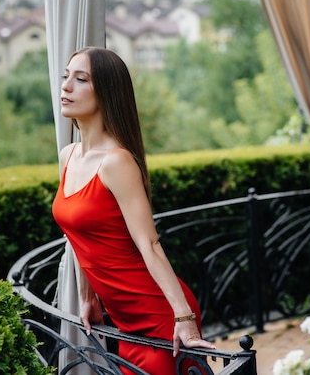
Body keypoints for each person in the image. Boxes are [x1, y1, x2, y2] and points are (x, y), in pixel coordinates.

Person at [52, 46, 215, 374]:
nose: (66, 86)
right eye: (65, 76)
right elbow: (78, 234)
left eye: (80, 79)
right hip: (124, 321)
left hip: (158, 316)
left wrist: (183, 317)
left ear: (107, 92)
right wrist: (88, 296)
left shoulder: (117, 162)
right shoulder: (68, 156)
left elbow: (149, 244)